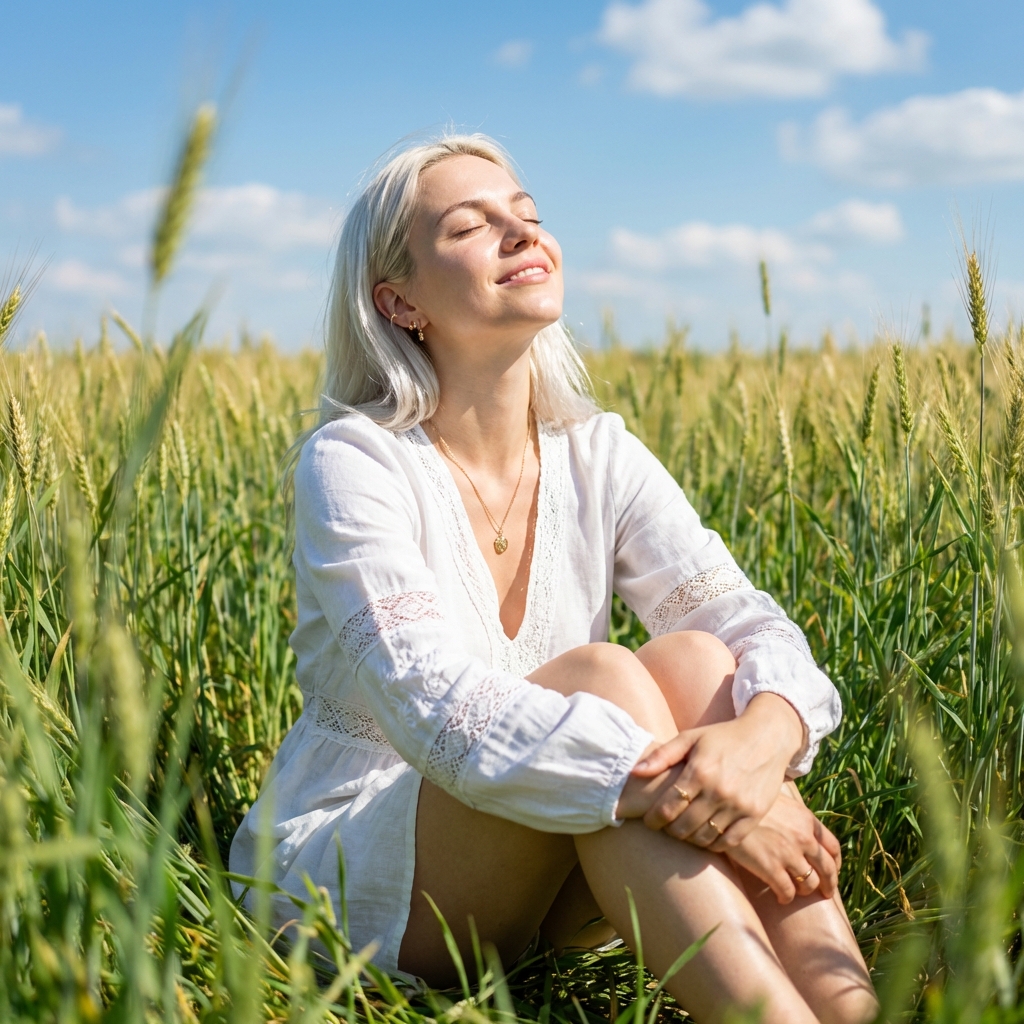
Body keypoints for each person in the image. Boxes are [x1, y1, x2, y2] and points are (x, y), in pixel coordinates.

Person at [230, 133, 878, 1024]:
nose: (518, 232)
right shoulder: (354, 462)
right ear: (399, 300)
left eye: (527, 216)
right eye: (471, 225)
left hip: (565, 848)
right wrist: (718, 805)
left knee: (696, 662)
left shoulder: (598, 452)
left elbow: (749, 624)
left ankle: (851, 1014)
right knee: (607, 676)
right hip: (363, 876)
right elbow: (435, 710)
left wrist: (766, 741)